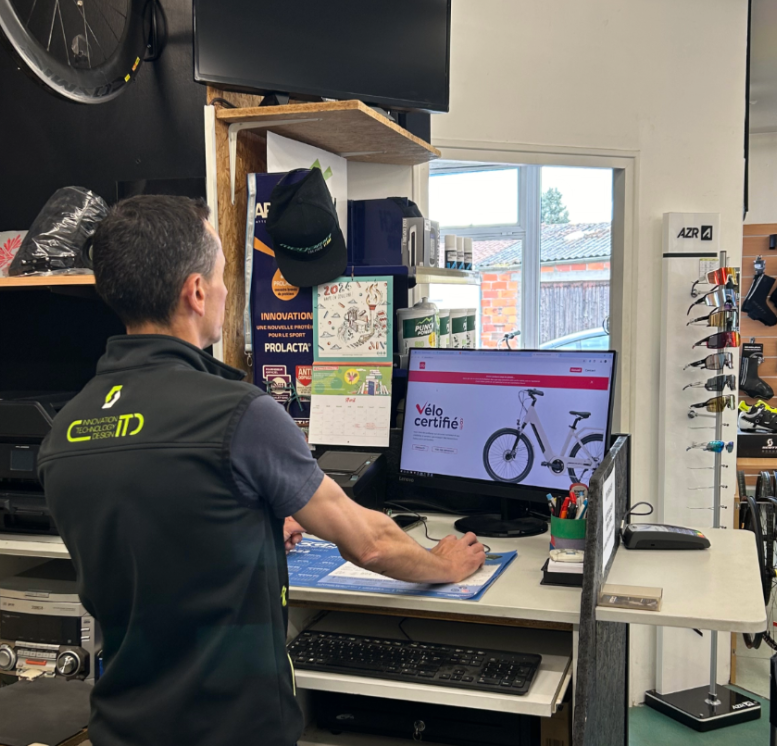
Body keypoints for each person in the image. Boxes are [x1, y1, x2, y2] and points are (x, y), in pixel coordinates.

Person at [37, 195, 484, 746]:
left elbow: (150, 539)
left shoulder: (66, 430)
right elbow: (368, 543)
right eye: (224, 275)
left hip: (123, 728)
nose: (228, 292)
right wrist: (444, 565)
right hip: (233, 729)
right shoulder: (237, 413)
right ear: (197, 292)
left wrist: (245, 524)